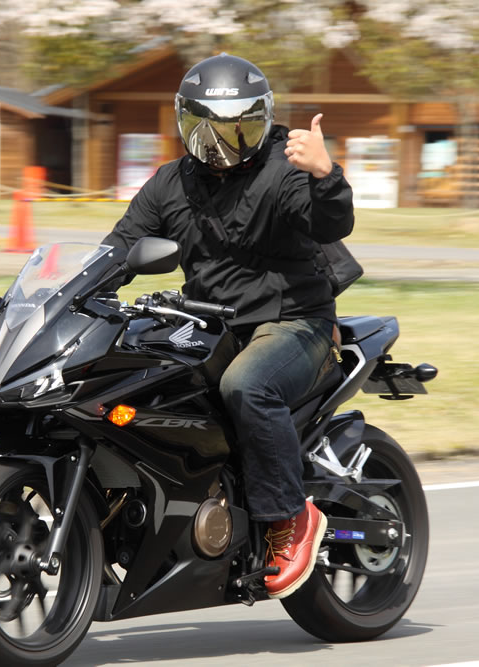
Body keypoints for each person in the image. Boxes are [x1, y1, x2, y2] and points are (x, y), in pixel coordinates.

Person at [102, 53, 354, 599]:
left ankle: (292, 517)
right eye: (205, 126)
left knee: (247, 384)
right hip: (208, 326)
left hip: (291, 323)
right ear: (184, 121)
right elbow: (118, 248)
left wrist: (325, 175)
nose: (219, 142)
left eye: (236, 126)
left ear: (261, 119)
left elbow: (330, 221)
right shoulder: (171, 183)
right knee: (133, 380)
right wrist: (70, 295)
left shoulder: (285, 169)